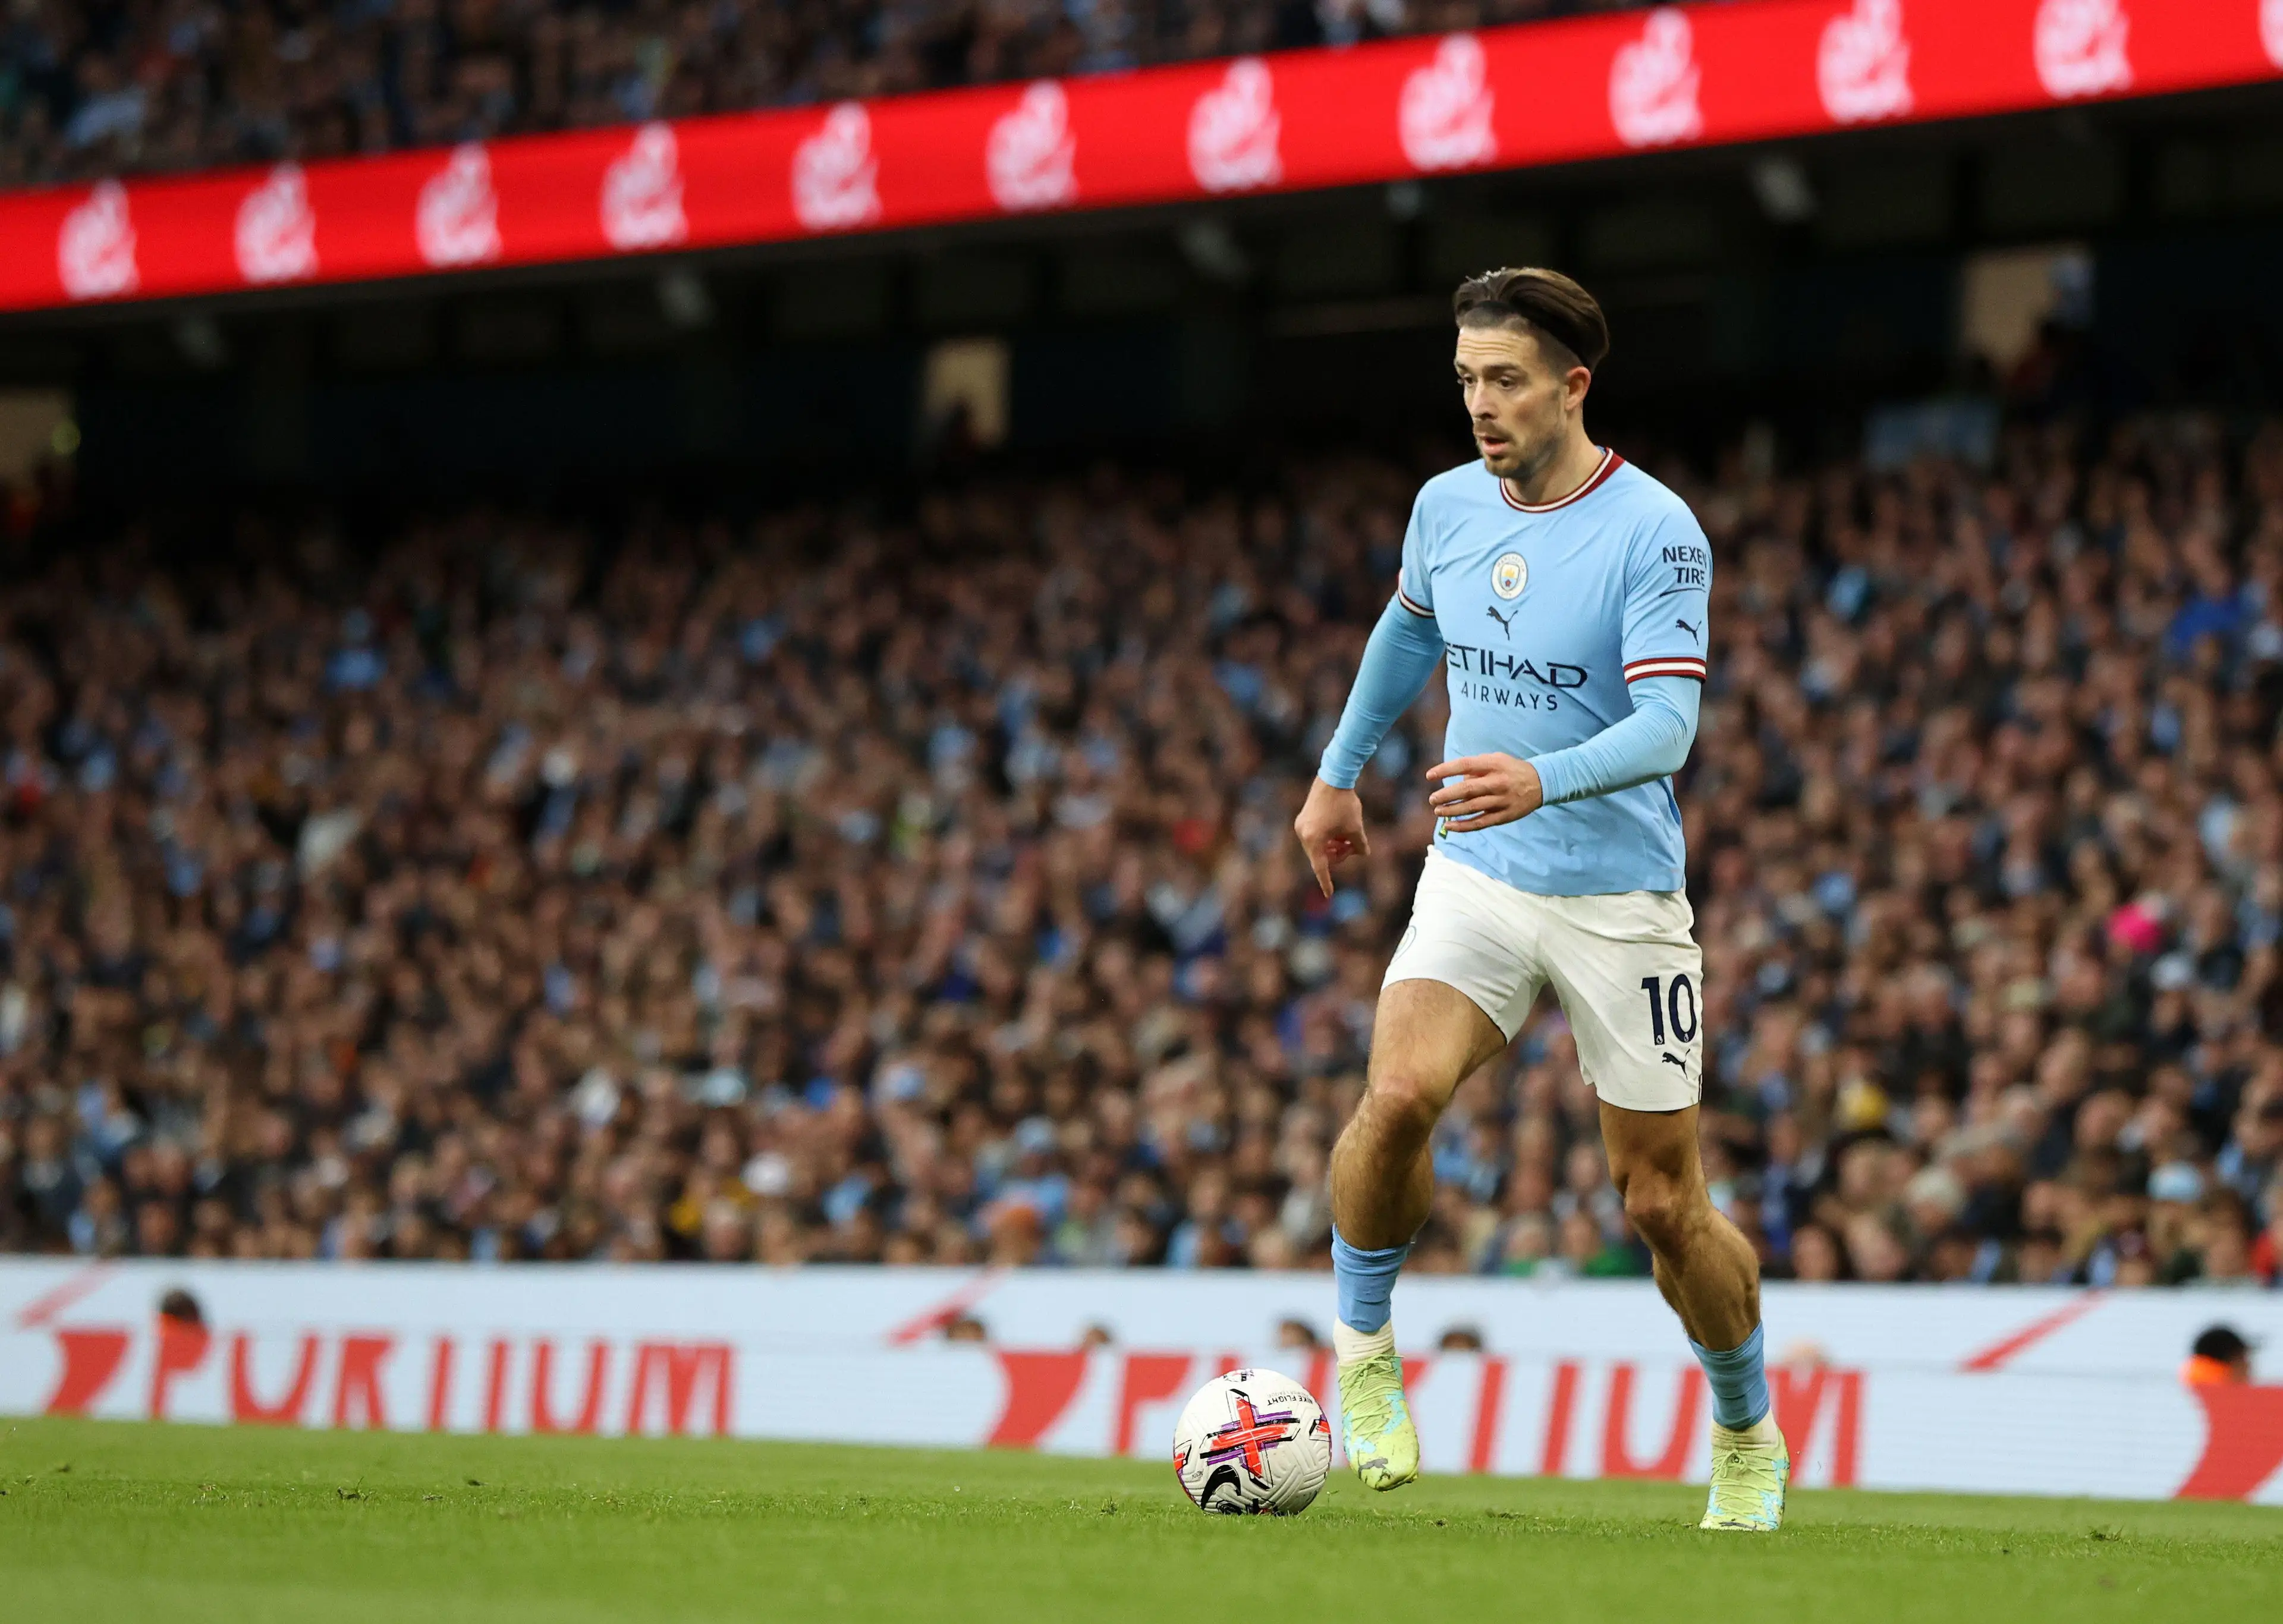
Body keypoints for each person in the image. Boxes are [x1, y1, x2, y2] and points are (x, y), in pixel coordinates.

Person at [1293, 266, 1785, 1532]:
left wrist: (1542, 778)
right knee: (1396, 1096)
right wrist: (1338, 773)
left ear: (1574, 384)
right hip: (1478, 872)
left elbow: (1671, 725)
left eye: (1504, 378)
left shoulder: (1656, 529)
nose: (1480, 403)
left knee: (1663, 1205)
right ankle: (1362, 1354)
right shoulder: (1448, 506)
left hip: (1618, 895)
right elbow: (1411, 632)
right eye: (1466, 379)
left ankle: (1744, 1427)